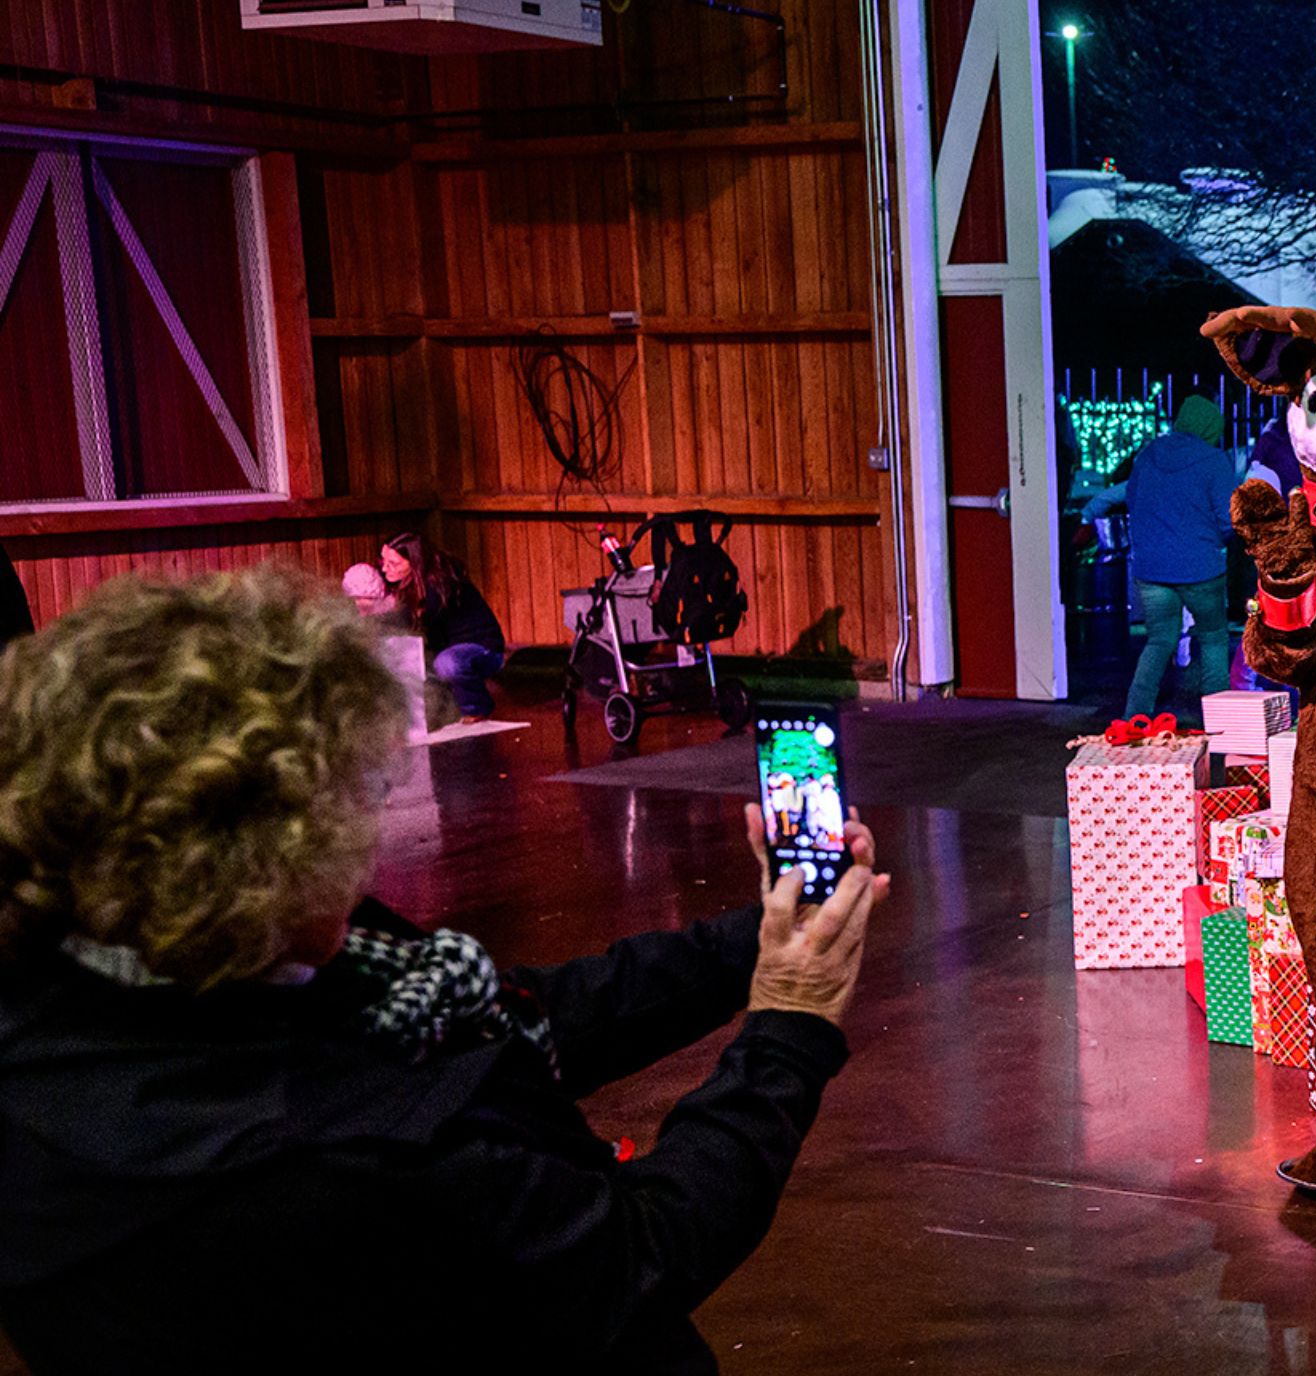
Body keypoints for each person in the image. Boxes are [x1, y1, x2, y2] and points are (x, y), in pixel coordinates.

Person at [0, 567, 888, 1374]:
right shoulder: (337, 1161)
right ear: (264, 857)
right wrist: (787, 1032)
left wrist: (760, 943)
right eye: (353, 799)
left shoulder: (161, 968)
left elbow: (525, 1015)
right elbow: (631, 1258)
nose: (370, 833)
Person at [1085, 395, 1242, 715]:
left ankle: (1135, 718)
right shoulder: (1215, 461)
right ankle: (1220, 724)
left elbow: (1131, 499)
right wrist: (1214, 542)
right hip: (1202, 568)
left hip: (1151, 570)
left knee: (1158, 642)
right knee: (1212, 638)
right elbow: (1229, 520)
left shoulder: (1148, 454)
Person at [380, 532, 507, 724]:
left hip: (482, 650)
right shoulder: (405, 583)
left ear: (414, 563)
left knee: (447, 662)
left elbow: (405, 620)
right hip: (446, 649)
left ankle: (477, 708)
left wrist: (367, 624)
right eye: (383, 561)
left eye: (394, 564)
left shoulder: (439, 584)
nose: (385, 568)